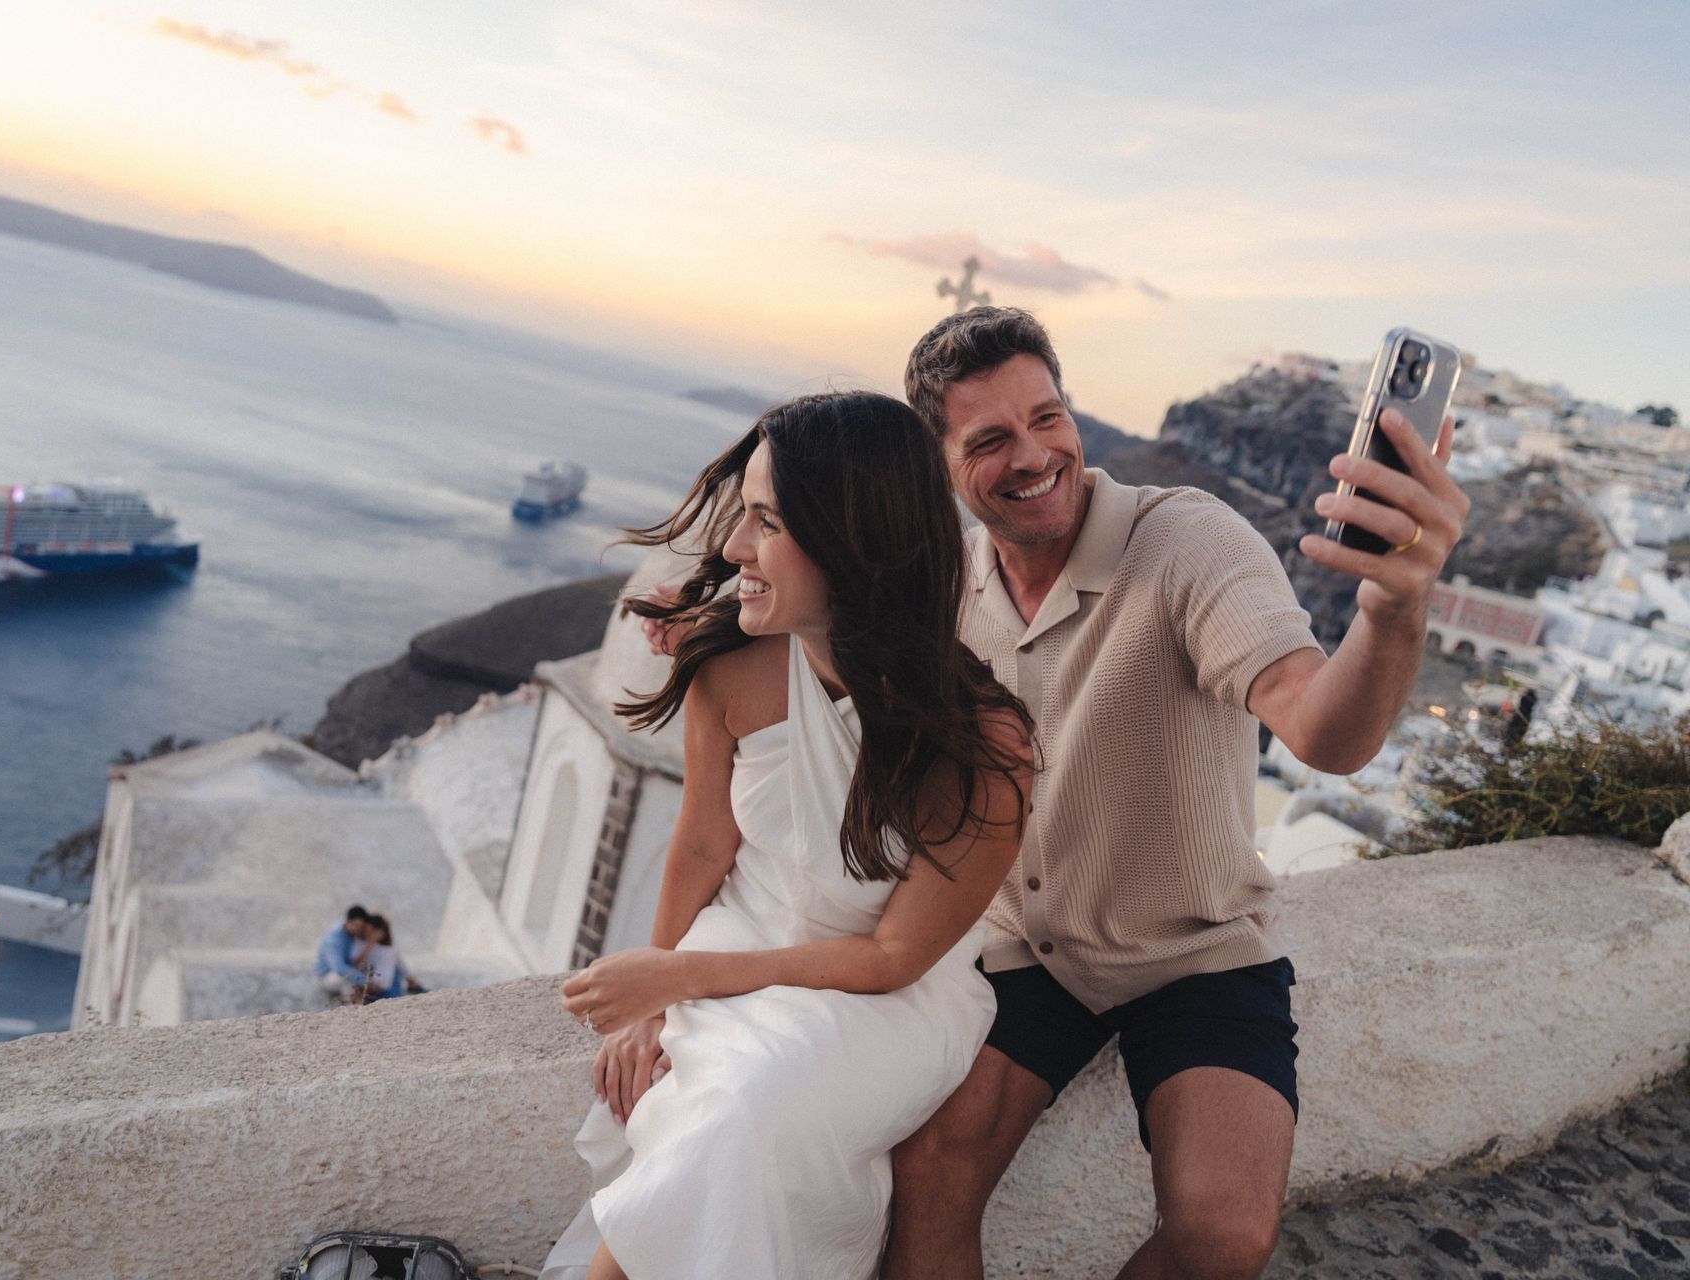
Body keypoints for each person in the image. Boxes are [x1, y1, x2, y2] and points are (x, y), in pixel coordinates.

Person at [877, 308, 1470, 1280]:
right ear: (936, 463)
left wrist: (1395, 603)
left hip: (1197, 950)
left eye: (1047, 416)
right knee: (929, 1172)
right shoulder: (949, 588)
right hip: (1029, 946)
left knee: (1225, 1232)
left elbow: (1323, 730)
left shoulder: (1191, 539)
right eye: (989, 439)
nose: (1033, 454)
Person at [541, 392, 1037, 1280]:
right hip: (743, 929)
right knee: (727, 1112)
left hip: (888, 998)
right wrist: (652, 996)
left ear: (858, 542)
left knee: (743, 1106)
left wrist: (683, 978)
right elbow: (702, 842)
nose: (733, 550)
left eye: (766, 522)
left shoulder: (984, 748)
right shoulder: (726, 661)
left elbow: (893, 956)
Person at [315, 905, 371, 1002]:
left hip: (348, 970)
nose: (359, 929)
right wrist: (364, 981)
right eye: (357, 926)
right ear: (348, 922)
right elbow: (339, 967)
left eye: (361, 927)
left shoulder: (352, 933)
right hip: (327, 975)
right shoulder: (333, 939)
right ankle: (353, 1007)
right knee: (345, 978)